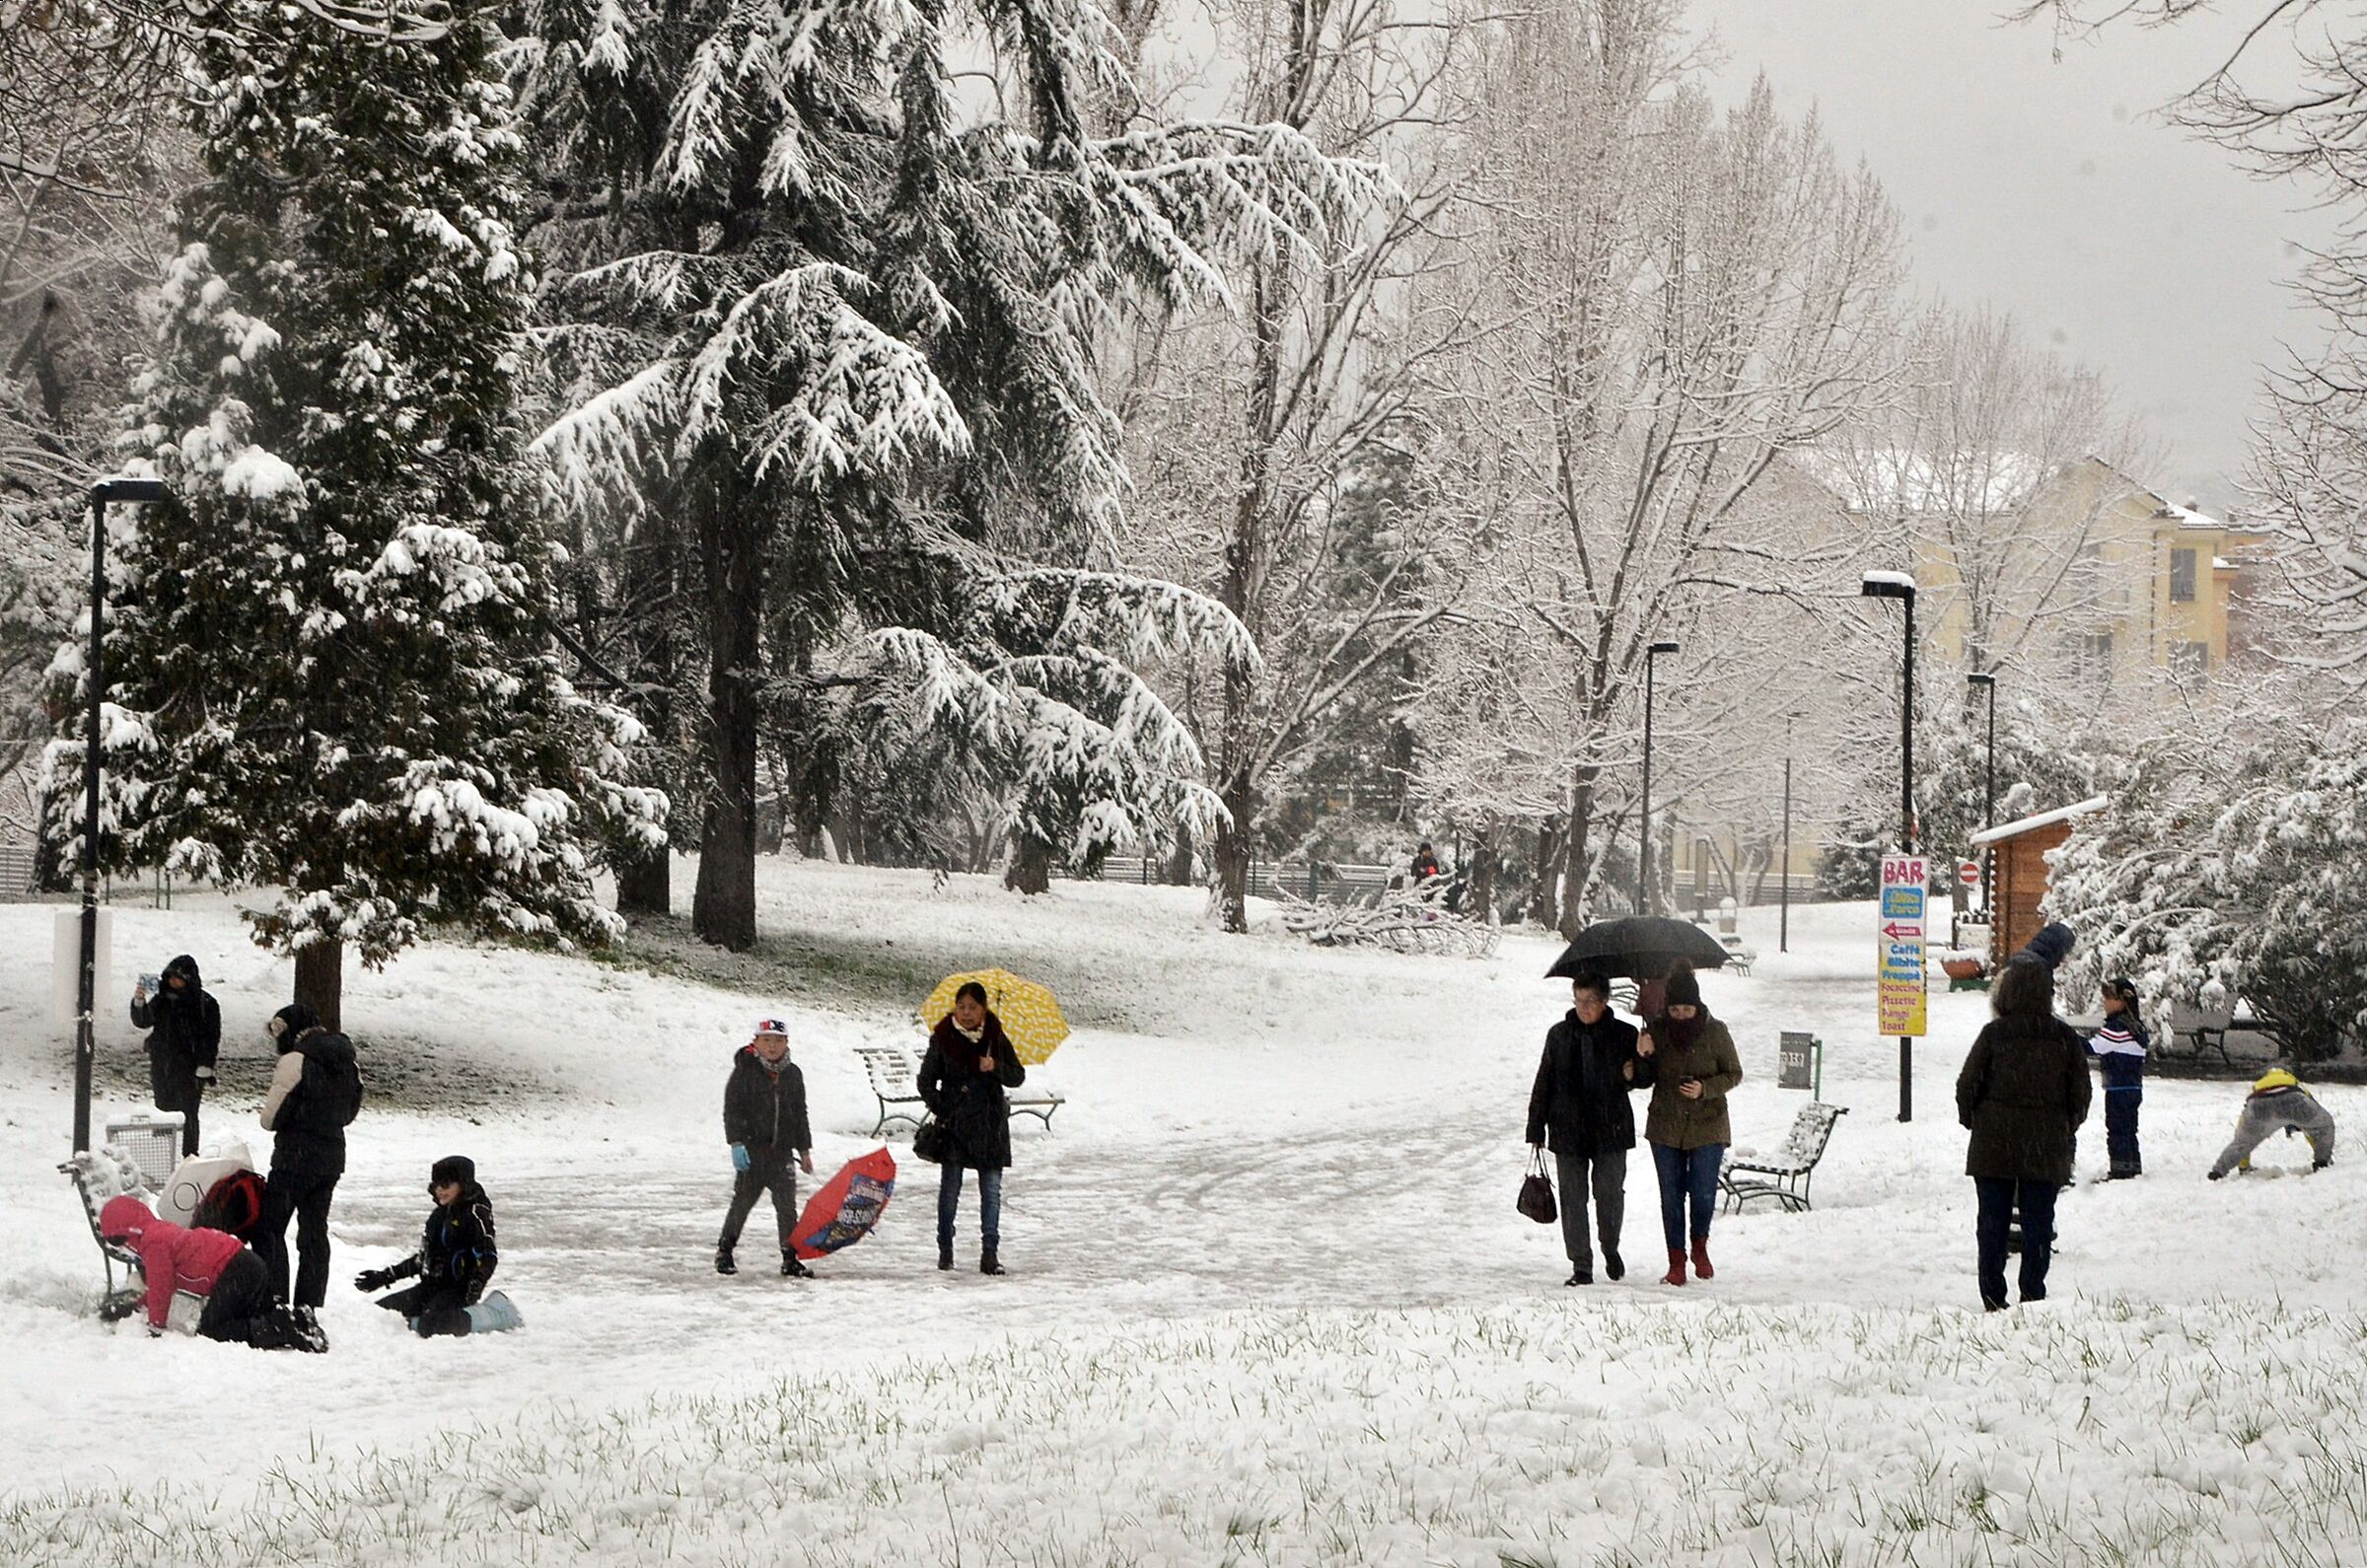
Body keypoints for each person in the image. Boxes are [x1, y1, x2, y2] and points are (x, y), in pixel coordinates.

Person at [1956, 956, 2091, 1311]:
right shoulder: (2063, 1036)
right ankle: (2033, 1292)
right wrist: (2065, 1125)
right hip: (2045, 1145)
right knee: (2038, 1222)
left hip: (1993, 1145)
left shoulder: (1993, 1034)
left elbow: (1967, 1085)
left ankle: (1992, 1295)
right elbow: (2081, 1092)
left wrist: (1976, 1121)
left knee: (1992, 1222)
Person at [1526, 971, 1652, 1285]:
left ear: (1605, 1001)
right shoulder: (1558, 1035)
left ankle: (1610, 1247)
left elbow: (1643, 1079)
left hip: (1611, 1128)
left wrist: (1641, 1062)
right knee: (1572, 1198)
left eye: (1590, 1001)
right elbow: (1544, 1081)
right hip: (1567, 1129)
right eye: (1578, 1000)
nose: (1583, 1007)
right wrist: (1535, 1129)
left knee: (1609, 1194)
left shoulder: (1625, 1033)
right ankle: (1581, 1264)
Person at [99, 1194, 325, 1351]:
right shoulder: (158, 1232)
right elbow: (162, 1281)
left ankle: (282, 1328)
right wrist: (140, 1303)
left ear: (129, 1232)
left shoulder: (153, 1243)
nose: (122, 1247)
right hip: (246, 1263)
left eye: (119, 1241)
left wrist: (155, 1327)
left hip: (234, 1271)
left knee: (213, 1329)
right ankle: (297, 1320)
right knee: (245, 1314)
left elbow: (162, 1288)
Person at [1635, 963, 1742, 1286]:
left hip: (1708, 1126)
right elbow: (1642, 1080)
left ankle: (1700, 1245)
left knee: (1702, 1192)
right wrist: (1644, 1056)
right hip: (1666, 1126)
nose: (1681, 1015)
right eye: (1675, 1009)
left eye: (1687, 1008)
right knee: (1671, 1195)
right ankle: (1676, 1260)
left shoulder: (1716, 1031)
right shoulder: (1655, 1031)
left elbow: (1734, 1073)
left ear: (1697, 1006)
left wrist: (1704, 1089)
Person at [254, 1003, 363, 1308]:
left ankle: (274, 1300)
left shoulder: (295, 1060)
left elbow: (269, 1119)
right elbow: (349, 1113)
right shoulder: (348, 1061)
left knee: (270, 1229)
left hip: (293, 1159)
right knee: (314, 1234)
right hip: (330, 1159)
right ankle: (310, 1304)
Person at [919, 980, 1027, 1275]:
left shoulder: (996, 1037)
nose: (966, 1013)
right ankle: (945, 1249)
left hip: (991, 1126)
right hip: (956, 1127)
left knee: (991, 1191)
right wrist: (944, 1109)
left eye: (973, 1007)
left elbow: (1018, 1076)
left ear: (984, 1010)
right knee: (949, 1191)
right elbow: (925, 1082)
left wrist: (996, 1067)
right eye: (961, 1006)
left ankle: (989, 1252)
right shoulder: (942, 1038)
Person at [715, 1019, 816, 1278]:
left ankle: (790, 1257)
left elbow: (799, 1114)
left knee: (787, 1208)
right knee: (742, 1203)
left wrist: (804, 1150)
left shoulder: (793, 1074)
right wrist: (736, 1144)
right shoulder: (744, 1071)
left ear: (787, 1044)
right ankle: (725, 1251)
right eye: (767, 1040)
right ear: (756, 1042)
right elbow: (732, 1111)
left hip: (782, 1153)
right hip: (753, 1153)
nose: (773, 1046)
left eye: (778, 1041)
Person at [355, 1155, 499, 1335]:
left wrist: (475, 1285)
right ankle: (424, 1318)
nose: (439, 1190)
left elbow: (488, 1257)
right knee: (380, 1314)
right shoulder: (438, 1216)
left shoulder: (475, 1215)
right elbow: (424, 1260)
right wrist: (385, 1276)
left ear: (463, 1184)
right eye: (436, 1185)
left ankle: (491, 1315)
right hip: (431, 1287)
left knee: (431, 1325)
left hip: (458, 1291)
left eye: (446, 1185)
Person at [131, 955, 220, 1158]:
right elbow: (143, 1020)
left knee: (187, 1115)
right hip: (162, 1065)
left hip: (190, 1070)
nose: (173, 982)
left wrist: (205, 1065)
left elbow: (211, 1037)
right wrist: (139, 1000)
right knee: (163, 1112)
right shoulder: (162, 999)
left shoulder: (205, 1003)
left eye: (178, 978)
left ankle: (188, 1156)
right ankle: (163, 1156)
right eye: (171, 977)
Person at [2208, 1069, 2336, 1179]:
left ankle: (2218, 1172)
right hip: (2292, 1097)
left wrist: (2243, 1165)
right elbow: (2310, 1104)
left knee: (2242, 1142)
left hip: (2258, 1102)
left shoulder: (2257, 1085)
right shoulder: (2292, 1080)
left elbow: (2243, 1126)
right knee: (2323, 1127)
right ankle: (2322, 1163)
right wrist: (2302, 1127)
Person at [2090, 978, 2149, 1179]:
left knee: (2116, 1129)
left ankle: (2120, 1169)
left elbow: (2094, 1047)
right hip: (2133, 1087)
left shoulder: (2116, 1028)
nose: (2105, 1003)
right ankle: (2133, 1165)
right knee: (2129, 1129)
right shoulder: (2136, 1026)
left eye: (2109, 999)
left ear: (2123, 1002)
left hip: (2117, 1087)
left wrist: (2066, 1038)